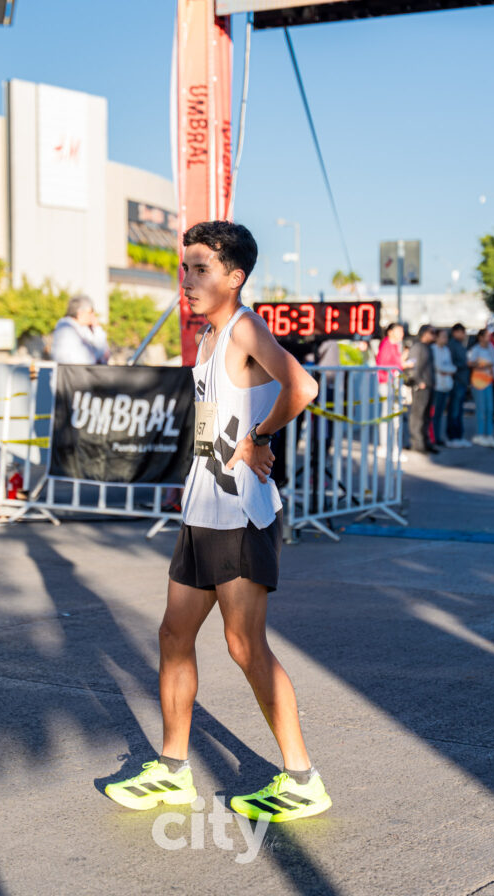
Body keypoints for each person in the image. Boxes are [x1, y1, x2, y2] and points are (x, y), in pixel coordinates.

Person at [105, 220, 332, 823]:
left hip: (239, 514)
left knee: (244, 645)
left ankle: (302, 780)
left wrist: (260, 436)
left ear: (234, 277)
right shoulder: (207, 335)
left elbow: (303, 386)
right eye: (185, 268)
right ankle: (173, 769)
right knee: (173, 636)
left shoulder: (244, 326)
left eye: (200, 268)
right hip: (202, 509)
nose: (187, 279)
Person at [376, 323, 407, 460]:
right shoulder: (386, 345)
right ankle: (387, 447)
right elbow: (383, 365)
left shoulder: (394, 346)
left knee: (393, 417)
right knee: (389, 417)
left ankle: (391, 447)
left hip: (393, 384)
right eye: (399, 331)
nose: (402, 334)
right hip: (388, 384)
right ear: (390, 332)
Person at [51, 295, 110, 365]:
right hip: (72, 370)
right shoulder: (66, 328)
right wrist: (100, 354)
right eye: (90, 312)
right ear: (80, 313)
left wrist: (96, 328)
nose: (93, 316)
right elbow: (86, 359)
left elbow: (103, 350)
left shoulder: (82, 328)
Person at [467, 328, 494, 447]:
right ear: (480, 337)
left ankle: (489, 434)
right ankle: (480, 434)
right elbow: (470, 363)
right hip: (478, 382)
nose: (488, 338)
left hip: (488, 381)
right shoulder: (475, 349)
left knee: (489, 409)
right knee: (481, 409)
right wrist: (482, 365)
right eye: (486, 336)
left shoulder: (491, 348)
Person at [408, 324, 437, 454]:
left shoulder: (428, 347)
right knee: (418, 415)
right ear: (424, 333)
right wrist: (418, 381)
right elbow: (413, 366)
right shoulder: (418, 347)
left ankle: (425, 442)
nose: (434, 336)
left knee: (426, 416)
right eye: (432, 333)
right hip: (421, 387)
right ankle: (417, 443)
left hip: (429, 385)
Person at [446, 323, 472, 448]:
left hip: (462, 381)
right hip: (456, 382)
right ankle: (453, 437)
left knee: (459, 411)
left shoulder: (460, 345)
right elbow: (452, 364)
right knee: (454, 411)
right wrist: (466, 364)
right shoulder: (452, 345)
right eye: (462, 332)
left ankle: (459, 436)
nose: (464, 335)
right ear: (455, 332)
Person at [432, 329, 456, 446]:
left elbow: (451, 367)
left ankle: (437, 436)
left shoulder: (446, 350)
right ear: (436, 337)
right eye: (443, 336)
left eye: (446, 337)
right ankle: (433, 437)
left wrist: (447, 370)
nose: (445, 339)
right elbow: (439, 367)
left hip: (446, 385)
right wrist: (446, 370)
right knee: (435, 413)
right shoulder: (433, 349)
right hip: (437, 386)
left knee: (441, 413)